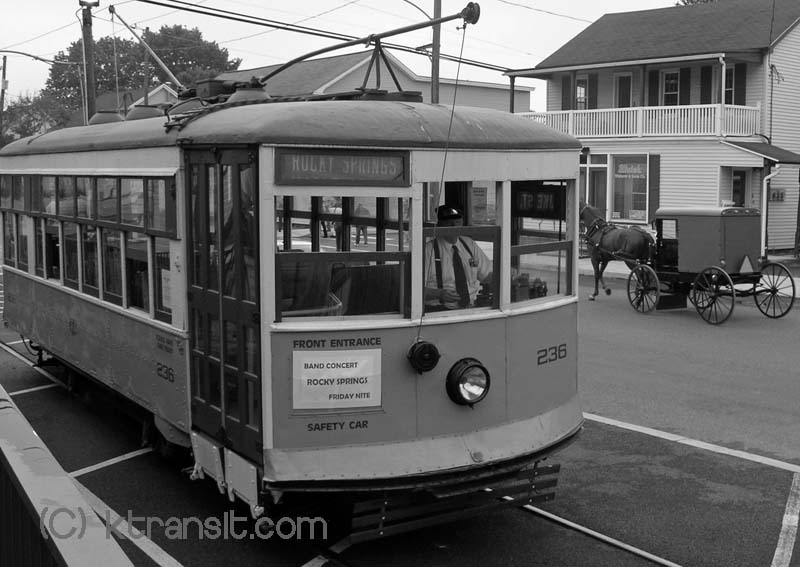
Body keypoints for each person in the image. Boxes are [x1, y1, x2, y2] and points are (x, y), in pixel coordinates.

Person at [424, 206, 492, 311]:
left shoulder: (469, 245)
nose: (453, 226)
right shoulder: (428, 251)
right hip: (438, 310)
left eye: (457, 222)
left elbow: (487, 275)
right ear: (439, 225)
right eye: (449, 222)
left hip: (472, 308)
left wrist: (507, 274)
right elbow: (415, 290)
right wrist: (439, 294)